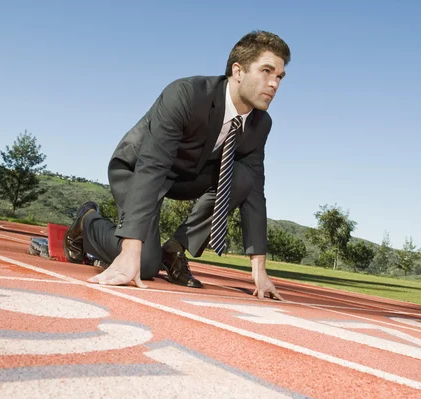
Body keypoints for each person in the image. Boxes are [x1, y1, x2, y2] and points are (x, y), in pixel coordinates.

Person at [64, 30, 290, 300]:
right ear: (238, 71)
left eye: (279, 76)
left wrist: (259, 271)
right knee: (144, 264)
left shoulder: (261, 123)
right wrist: (131, 251)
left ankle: (175, 249)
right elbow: (153, 166)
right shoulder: (185, 94)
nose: (274, 83)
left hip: (188, 175)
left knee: (243, 177)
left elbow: (253, 192)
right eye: (266, 71)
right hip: (139, 169)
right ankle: (86, 222)